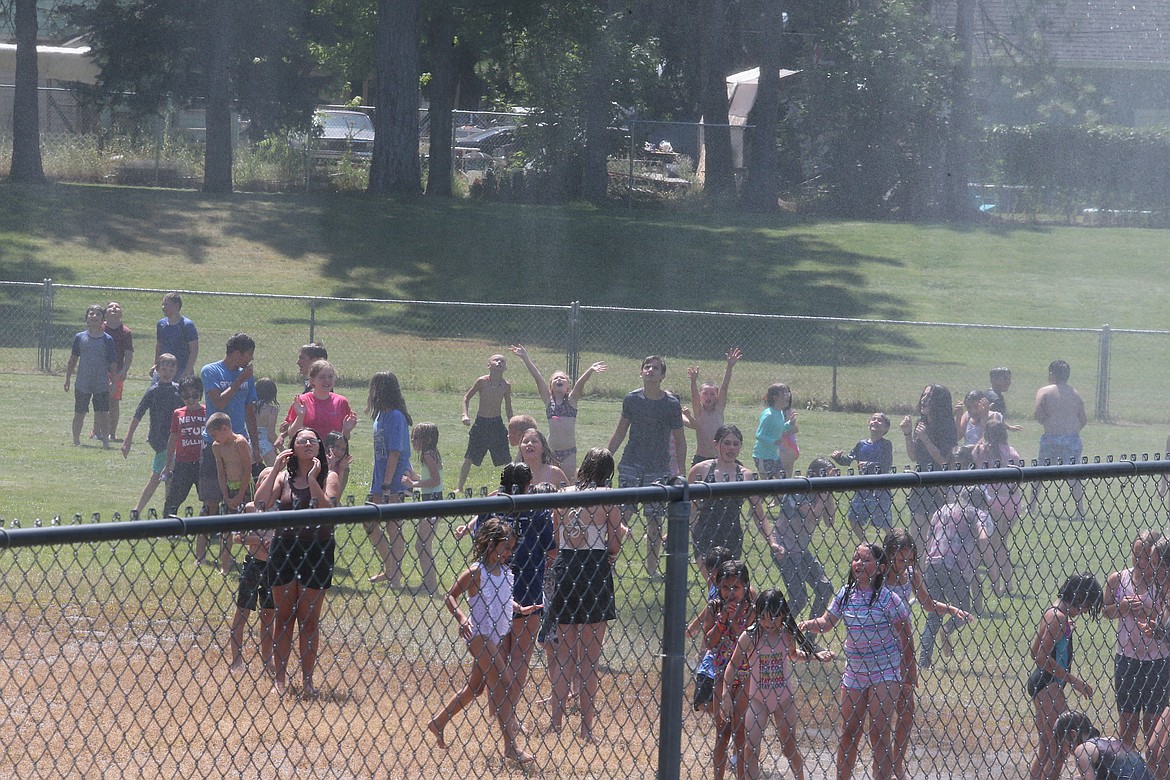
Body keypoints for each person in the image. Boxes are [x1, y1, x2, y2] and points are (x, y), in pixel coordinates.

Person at [427, 516, 540, 764]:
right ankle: (511, 746)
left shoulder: (505, 572)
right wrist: (461, 618)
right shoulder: (476, 572)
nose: (510, 552)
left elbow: (498, 599)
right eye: (506, 547)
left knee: (476, 688)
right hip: (478, 635)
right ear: (490, 545)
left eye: (511, 548)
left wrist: (520, 609)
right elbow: (450, 596)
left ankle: (438, 722)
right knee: (506, 682)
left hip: (496, 635)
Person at [800, 542, 915, 780]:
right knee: (849, 732)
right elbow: (827, 622)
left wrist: (909, 673)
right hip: (855, 671)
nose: (859, 564)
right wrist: (809, 624)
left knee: (878, 732)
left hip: (885, 671)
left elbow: (906, 635)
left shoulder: (888, 598)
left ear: (881, 568)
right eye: (856, 559)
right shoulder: (845, 594)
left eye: (866, 560)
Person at [253, 427, 341, 697]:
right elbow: (260, 503)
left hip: (318, 550)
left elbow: (327, 507)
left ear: (319, 448)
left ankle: (307, 681)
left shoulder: (330, 476)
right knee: (284, 616)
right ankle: (279, 681)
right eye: (302, 440)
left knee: (310, 620)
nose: (307, 444)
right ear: (293, 446)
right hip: (285, 549)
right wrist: (276, 467)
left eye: (313, 440)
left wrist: (313, 478)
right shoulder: (283, 477)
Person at [883, 529, 975, 780]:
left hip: (902, 648)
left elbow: (927, 603)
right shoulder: (878, 576)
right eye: (900, 559)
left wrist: (953, 609)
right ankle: (883, 764)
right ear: (888, 555)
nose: (905, 565)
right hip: (878, 649)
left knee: (906, 708)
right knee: (880, 712)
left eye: (910, 559)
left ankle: (896, 764)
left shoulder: (910, 575)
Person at [550, 447, 623, 741]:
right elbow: (615, 542)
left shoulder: (563, 494)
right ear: (608, 472)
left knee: (564, 653)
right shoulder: (608, 498)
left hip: (566, 566)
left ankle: (555, 722)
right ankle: (586, 728)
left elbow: (556, 539)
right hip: (594, 568)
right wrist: (609, 552)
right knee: (590, 659)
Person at [721, 589, 833, 780]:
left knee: (789, 748)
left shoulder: (786, 634)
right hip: (757, 700)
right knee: (750, 748)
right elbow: (732, 664)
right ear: (757, 615)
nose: (768, 623)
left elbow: (793, 655)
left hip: (784, 700)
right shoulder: (749, 636)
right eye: (763, 618)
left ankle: (801, 777)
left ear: (783, 614)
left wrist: (815, 657)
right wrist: (725, 694)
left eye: (774, 618)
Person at [607, 355, 686, 578]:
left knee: (655, 521)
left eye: (656, 368)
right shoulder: (631, 399)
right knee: (623, 516)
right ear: (641, 372)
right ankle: (608, 564)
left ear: (663, 376)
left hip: (658, 469)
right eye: (647, 367)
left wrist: (679, 472)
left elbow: (680, 441)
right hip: (631, 463)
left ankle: (652, 571)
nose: (650, 370)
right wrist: (605, 457)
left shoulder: (671, 404)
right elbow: (620, 432)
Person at [1027, 573, 1104, 780]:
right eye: (1087, 605)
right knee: (1058, 752)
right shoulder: (1059, 619)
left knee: (1046, 750)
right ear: (1078, 597)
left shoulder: (1054, 613)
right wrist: (1074, 681)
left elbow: (1034, 650)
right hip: (1048, 686)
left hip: (1042, 685)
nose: (1087, 610)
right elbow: (1041, 657)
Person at [199, 333, 259, 570]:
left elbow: (249, 411)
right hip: (213, 444)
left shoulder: (248, 377)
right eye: (249, 354)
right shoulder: (211, 371)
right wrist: (239, 380)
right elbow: (219, 403)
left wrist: (254, 445)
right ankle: (201, 553)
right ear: (238, 353)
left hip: (238, 445)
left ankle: (234, 555)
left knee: (240, 502)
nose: (251, 359)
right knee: (211, 502)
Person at [1103, 531, 1167, 749]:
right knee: (1127, 726)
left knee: (1152, 729)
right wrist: (1122, 608)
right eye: (1136, 555)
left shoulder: (1162, 584)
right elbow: (1105, 611)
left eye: (1147, 557)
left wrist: (1148, 612)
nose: (1140, 562)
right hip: (1127, 659)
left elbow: (1164, 618)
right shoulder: (1119, 579)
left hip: (1157, 661)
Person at [917, 486, 990, 668]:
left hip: (933, 564)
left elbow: (929, 538)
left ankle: (924, 663)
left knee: (934, 614)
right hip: (955, 567)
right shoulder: (976, 513)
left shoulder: (943, 509)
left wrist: (923, 566)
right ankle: (948, 628)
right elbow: (982, 537)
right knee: (964, 610)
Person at [510, 343, 607, 477]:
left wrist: (590, 370)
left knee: (567, 482)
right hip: (552, 451)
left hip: (569, 452)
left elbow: (580, 384)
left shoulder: (572, 401)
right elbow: (538, 378)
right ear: (551, 386)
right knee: (551, 481)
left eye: (563, 378)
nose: (559, 379)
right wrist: (525, 358)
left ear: (568, 387)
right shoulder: (549, 402)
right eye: (556, 378)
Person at [687, 424, 779, 563]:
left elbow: (758, 514)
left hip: (732, 536)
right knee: (713, 581)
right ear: (716, 444)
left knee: (730, 582)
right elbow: (690, 509)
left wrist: (772, 542)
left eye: (736, 444)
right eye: (727, 443)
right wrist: (674, 532)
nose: (731, 448)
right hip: (704, 534)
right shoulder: (700, 470)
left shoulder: (746, 476)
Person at [702, 559, 756, 780]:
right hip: (721, 674)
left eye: (736, 587)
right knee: (722, 732)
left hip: (745, 675)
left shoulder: (752, 610)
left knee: (741, 731)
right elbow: (709, 642)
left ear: (745, 587)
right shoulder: (714, 607)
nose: (731, 592)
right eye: (725, 587)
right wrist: (722, 620)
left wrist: (733, 620)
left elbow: (749, 641)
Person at [770, 457, 837, 620]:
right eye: (827, 477)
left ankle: (809, 640)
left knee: (825, 588)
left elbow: (829, 522)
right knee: (799, 599)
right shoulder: (799, 489)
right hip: (783, 550)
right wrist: (824, 494)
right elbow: (812, 517)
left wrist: (828, 494)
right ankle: (776, 634)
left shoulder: (821, 493)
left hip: (800, 550)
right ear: (815, 474)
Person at [121, 353, 181, 519]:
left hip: (175, 441)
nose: (167, 372)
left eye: (170, 368)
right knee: (163, 477)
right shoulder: (153, 391)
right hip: (161, 441)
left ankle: (140, 511)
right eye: (163, 368)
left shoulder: (178, 391)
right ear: (157, 369)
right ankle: (164, 514)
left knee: (164, 477)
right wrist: (127, 440)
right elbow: (138, 414)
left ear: (176, 370)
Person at [366, 371, 412, 586]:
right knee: (369, 522)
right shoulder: (380, 416)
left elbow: (395, 453)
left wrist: (386, 486)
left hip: (392, 482)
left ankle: (395, 575)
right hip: (380, 480)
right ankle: (391, 568)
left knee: (393, 526)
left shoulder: (396, 416)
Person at [900, 384, 957, 553]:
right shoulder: (922, 422)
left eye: (929, 397)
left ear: (938, 402)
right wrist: (908, 434)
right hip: (921, 484)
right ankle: (918, 574)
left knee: (935, 539)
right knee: (917, 538)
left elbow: (945, 461)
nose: (923, 400)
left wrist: (925, 438)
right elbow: (914, 456)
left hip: (939, 487)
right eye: (923, 395)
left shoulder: (947, 427)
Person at [972, 418, 1024, 602]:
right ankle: (1007, 582)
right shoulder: (1011, 452)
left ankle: (994, 581)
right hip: (1012, 502)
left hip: (991, 501)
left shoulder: (981, 451)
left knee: (989, 543)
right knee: (1002, 542)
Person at [1032, 359, 1088, 520]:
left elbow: (1037, 413)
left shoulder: (1045, 391)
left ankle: (1031, 506)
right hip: (1072, 439)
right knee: (1073, 475)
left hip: (1051, 437)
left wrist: (1047, 422)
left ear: (1051, 374)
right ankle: (1080, 511)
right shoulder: (1075, 393)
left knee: (1039, 472)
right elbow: (1083, 418)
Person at [832, 412, 895, 542]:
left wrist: (869, 465)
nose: (875, 422)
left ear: (886, 428)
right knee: (853, 518)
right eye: (873, 419)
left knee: (884, 523)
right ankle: (865, 543)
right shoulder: (861, 445)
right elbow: (848, 459)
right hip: (863, 489)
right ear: (868, 423)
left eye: (880, 420)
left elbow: (886, 465)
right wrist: (838, 458)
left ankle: (894, 544)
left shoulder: (886, 445)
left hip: (880, 489)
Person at [228, 500, 274, 673]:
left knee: (269, 615)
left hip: (273, 566)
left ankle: (267, 660)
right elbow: (238, 537)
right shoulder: (250, 508)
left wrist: (274, 541)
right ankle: (236, 661)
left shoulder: (281, 506)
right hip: (253, 565)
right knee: (242, 612)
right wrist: (259, 539)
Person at [457, 353, 513, 493]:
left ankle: (512, 485)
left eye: (502, 361)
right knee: (469, 457)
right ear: (489, 365)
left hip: (496, 424)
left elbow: (508, 407)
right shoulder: (482, 381)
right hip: (481, 423)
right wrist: (465, 415)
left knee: (507, 459)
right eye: (496, 360)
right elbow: (466, 398)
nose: (499, 362)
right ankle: (459, 487)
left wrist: (512, 425)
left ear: (505, 367)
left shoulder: (506, 386)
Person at [64, 304, 117, 448]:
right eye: (91, 314)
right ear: (86, 319)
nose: (94, 317)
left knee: (103, 413)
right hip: (83, 382)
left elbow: (113, 364)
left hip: (101, 383)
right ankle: (76, 440)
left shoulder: (107, 340)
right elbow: (73, 359)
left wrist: (114, 382)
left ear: (103, 320)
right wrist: (68, 378)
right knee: (79, 412)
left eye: (98, 314)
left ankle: (105, 441)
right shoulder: (79, 337)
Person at [1053, 710, 1154, 780]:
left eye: (1060, 740)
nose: (1060, 746)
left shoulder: (1082, 750)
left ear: (1073, 734)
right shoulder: (1110, 739)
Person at [405, 422, 443, 594]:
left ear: (427, 439)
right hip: (433, 501)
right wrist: (416, 476)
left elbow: (435, 481)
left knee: (422, 545)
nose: (413, 441)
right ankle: (429, 584)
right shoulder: (431, 454)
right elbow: (430, 477)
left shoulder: (428, 455)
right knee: (422, 545)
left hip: (432, 503)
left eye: (416, 438)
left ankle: (430, 585)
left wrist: (413, 483)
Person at [685, 347, 741, 464]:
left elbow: (724, 386)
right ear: (701, 396)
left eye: (712, 394)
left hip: (718, 458)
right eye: (705, 394)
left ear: (717, 397)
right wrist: (693, 381)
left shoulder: (719, 410)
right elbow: (694, 395)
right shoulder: (699, 412)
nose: (708, 397)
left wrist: (730, 366)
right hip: (700, 457)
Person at [162, 376, 206, 520]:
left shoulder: (208, 411)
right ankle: (166, 527)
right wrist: (168, 464)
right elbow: (173, 439)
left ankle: (212, 531)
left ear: (201, 394)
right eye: (186, 396)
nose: (191, 399)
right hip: (183, 463)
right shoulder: (178, 413)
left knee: (209, 498)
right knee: (174, 498)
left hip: (203, 463)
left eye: (195, 395)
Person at [285, 359, 357, 442]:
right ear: (312, 380)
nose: (327, 380)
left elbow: (343, 441)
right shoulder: (302, 401)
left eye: (330, 376)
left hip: (332, 453)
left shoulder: (341, 402)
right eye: (321, 377)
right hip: (308, 451)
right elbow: (292, 434)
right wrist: (300, 417)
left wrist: (346, 431)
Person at [208, 412, 254, 515]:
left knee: (247, 518)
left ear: (224, 428)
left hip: (245, 486)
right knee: (230, 520)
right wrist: (225, 495)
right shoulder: (217, 446)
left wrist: (240, 495)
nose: (214, 439)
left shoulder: (239, 442)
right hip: (229, 487)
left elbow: (247, 469)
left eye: (214, 435)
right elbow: (221, 471)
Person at [101, 300, 133, 441]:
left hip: (117, 373)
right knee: (100, 401)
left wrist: (125, 370)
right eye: (110, 306)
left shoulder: (125, 332)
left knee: (113, 402)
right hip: (100, 372)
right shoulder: (100, 328)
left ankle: (111, 433)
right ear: (105, 313)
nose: (114, 308)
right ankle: (97, 432)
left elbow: (128, 354)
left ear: (121, 313)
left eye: (117, 306)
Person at [752, 383, 797, 480]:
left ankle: (781, 496)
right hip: (762, 457)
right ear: (775, 397)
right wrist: (774, 441)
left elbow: (779, 429)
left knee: (783, 481)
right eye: (783, 394)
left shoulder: (780, 412)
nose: (787, 396)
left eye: (787, 393)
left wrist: (789, 424)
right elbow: (759, 435)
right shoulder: (769, 415)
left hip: (774, 456)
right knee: (767, 486)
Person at [154, 292, 198, 379]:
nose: (163, 307)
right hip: (163, 369)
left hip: (181, 369)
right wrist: (156, 365)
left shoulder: (186, 325)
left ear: (176, 306)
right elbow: (159, 346)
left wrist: (187, 372)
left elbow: (194, 350)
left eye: (166, 304)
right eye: (163, 304)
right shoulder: (161, 324)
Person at [254, 378, 279, 467]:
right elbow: (271, 433)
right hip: (265, 442)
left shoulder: (249, 406)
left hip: (250, 440)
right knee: (275, 470)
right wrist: (281, 447)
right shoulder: (272, 409)